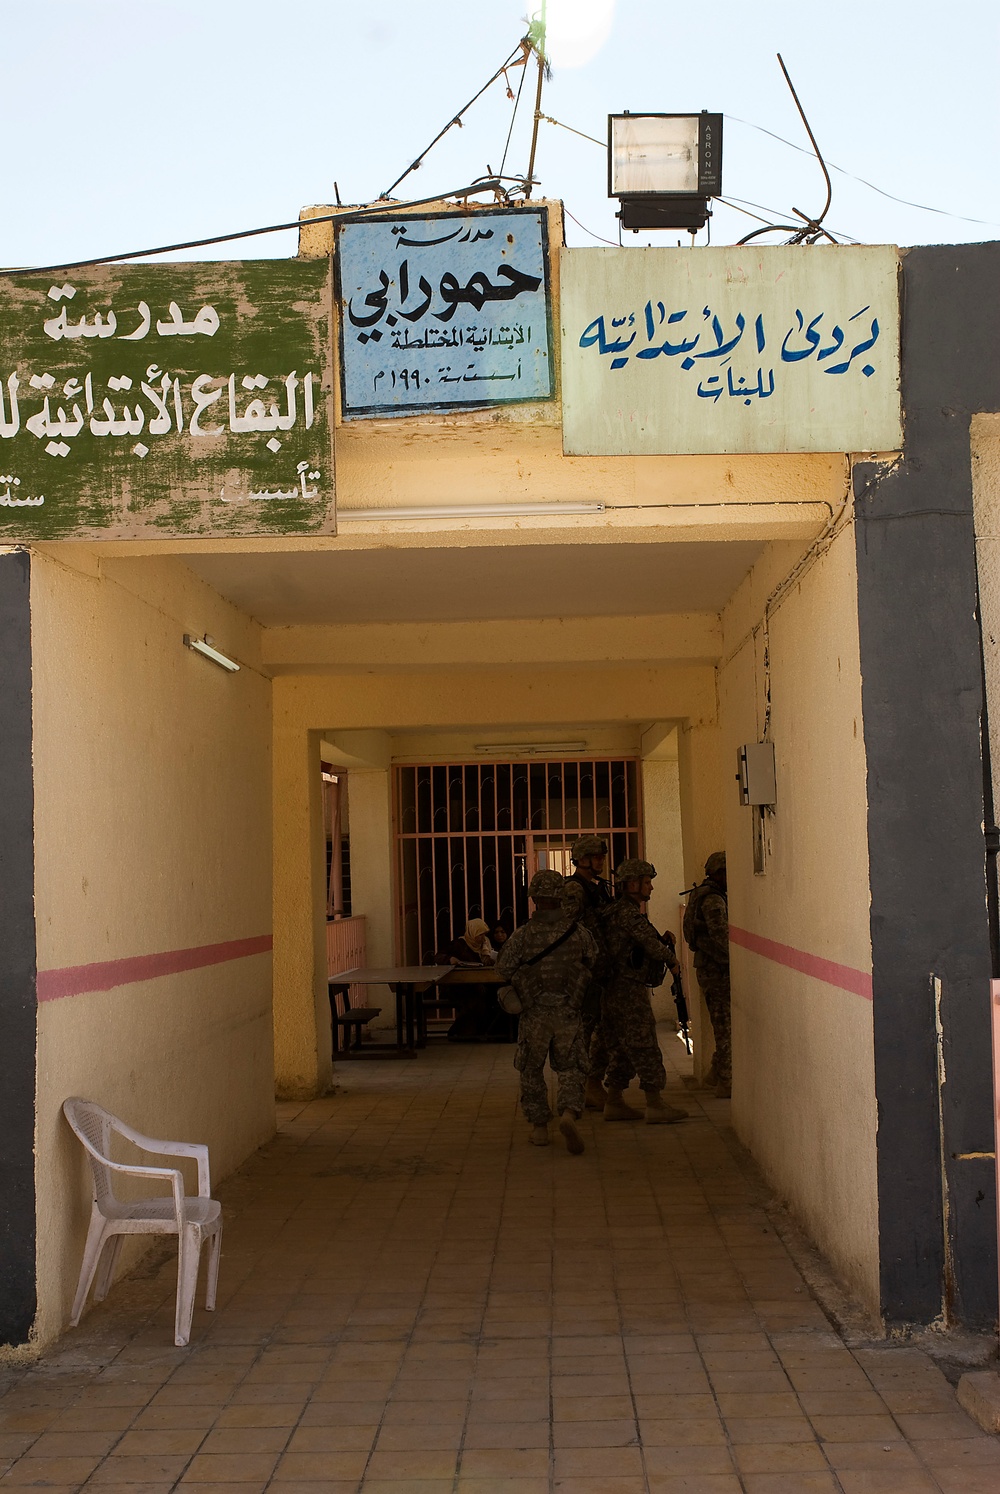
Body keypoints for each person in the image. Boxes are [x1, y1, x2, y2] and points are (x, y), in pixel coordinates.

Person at [497, 868, 597, 1154]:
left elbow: (503, 967)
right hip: (569, 1011)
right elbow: (593, 959)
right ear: (561, 897)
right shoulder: (579, 933)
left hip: (535, 1013)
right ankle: (567, 1114)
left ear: (535, 900)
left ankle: (540, 1128)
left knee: (531, 1068)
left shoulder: (522, 936)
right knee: (571, 1068)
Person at [601, 859, 689, 1125]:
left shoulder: (617, 912)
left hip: (613, 989)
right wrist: (671, 960)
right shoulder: (626, 913)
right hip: (627, 990)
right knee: (644, 1043)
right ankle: (655, 1103)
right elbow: (648, 943)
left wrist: (662, 942)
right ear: (633, 884)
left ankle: (614, 1101)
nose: (650, 887)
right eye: (647, 882)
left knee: (621, 1047)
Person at [562, 834, 614, 1112]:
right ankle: (581, 1088)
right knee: (584, 1033)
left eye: (602, 856)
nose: (601, 861)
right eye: (596, 856)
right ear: (582, 859)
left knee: (601, 1030)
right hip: (585, 974)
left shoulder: (595, 887)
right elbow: (568, 930)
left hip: (599, 971)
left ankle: (590, 1084)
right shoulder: (575, 889)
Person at [683, 851, 731, 1098]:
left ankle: (715, 1072)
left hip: (710, 968)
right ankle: (726, 1081)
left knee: (723, 1025)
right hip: (717, 970)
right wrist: (738, 960)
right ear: (720, 873)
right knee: (725, 1028)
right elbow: (721, 935)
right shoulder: (713, 899)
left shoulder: (700, 893)